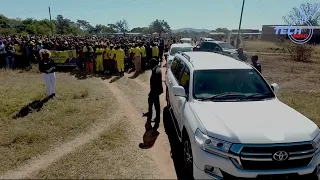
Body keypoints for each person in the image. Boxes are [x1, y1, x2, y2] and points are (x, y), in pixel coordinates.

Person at [145, 58, 163, 132]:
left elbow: (155, 83)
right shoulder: (157, 69)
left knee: (154, 105)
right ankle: (155, 117)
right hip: (156, 91)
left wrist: (152, 92)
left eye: (150, 63)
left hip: (154, 92)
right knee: (155, 105)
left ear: (153, 64)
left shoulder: (155, 71)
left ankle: (153, 118)